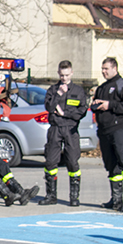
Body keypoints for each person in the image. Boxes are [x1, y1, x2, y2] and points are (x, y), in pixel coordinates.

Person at [39, 61, 89, 206]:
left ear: (71, 73)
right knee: (50, 162)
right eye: (62, 75)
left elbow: (81, 112)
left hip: (70, 129)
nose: (64, 78)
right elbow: (49, 107)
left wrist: (63, 113)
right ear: (58, 73)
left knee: (73, 162)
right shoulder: (53, 90)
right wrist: (58, 95)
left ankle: (74, 197)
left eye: (67, 75)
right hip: (55, 128)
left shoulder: (78, 91)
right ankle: (51, 196)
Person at [92, 57, 123, 210]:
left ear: (114, 68)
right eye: (102, 68)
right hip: (104, 130)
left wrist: (109, 104)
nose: (103, 71)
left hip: (119, 128)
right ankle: (116, 198)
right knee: (110, 164)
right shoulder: (102, 87)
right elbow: (95, 106)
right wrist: (95, 105)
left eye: (106, 68)